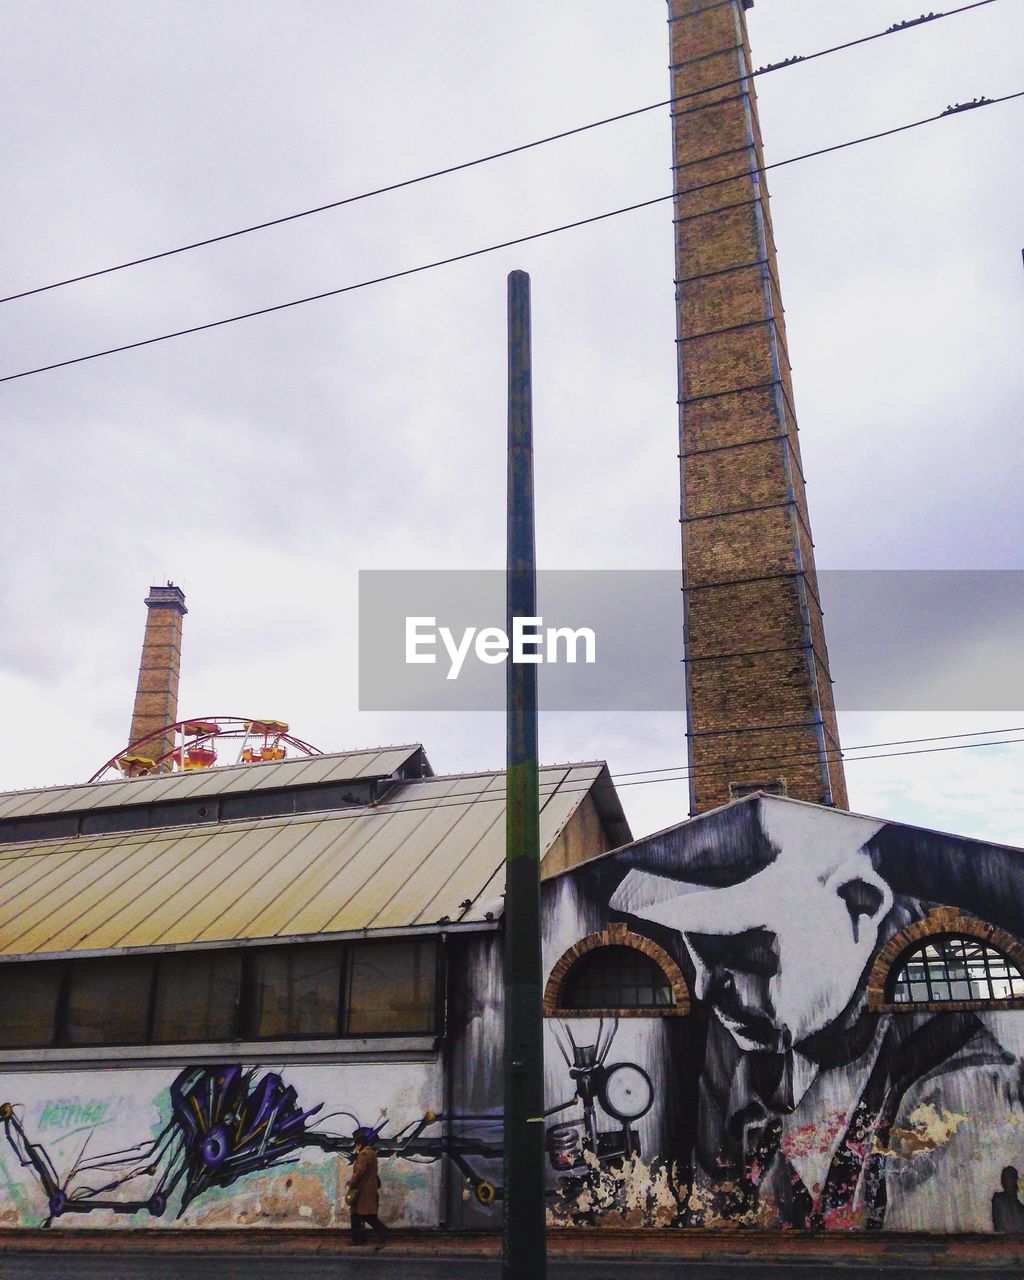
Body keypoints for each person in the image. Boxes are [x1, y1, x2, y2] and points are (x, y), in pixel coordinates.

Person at [347, 1127, 388, 1247]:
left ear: (360, 1144)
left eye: (356, 1145)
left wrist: (352, 1183)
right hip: (368, 1188)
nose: (356, 1148)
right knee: (363, 1214)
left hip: (363, 1190)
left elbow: (359, 1172)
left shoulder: (364, 1154)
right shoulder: (371, 1153)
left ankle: (361, 1238)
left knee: (360, 1214)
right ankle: (361, 1238)